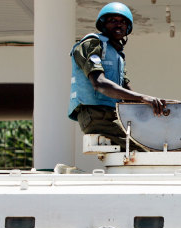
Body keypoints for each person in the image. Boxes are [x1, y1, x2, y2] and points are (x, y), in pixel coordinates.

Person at [68, 2, 167, 150]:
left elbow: (128, 93)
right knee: (147, 147)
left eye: (123, 22)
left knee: (160, 140)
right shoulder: (92, 43)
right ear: (102, 24)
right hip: (96, 116)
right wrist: (144, 99)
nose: (119, 25)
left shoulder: (117, 55)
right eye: (113, 21)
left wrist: (161, 102)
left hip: (112, 115)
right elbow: (99, 83)